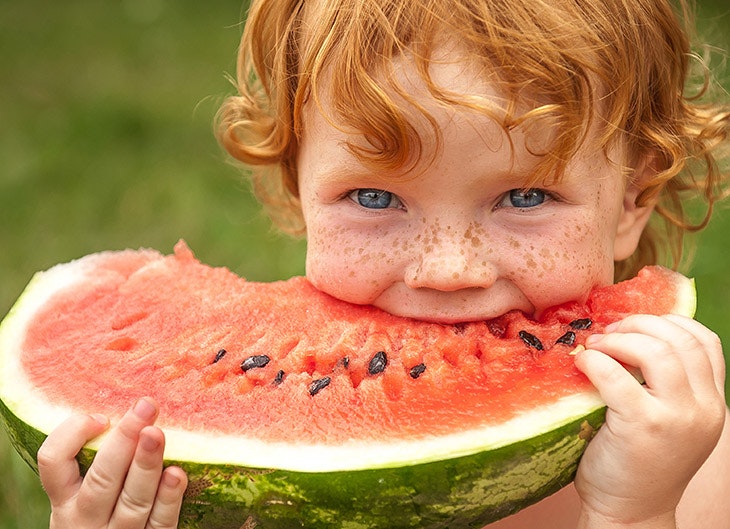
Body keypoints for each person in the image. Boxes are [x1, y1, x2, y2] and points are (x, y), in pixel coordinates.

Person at [36, 0, 730, 528]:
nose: (449, 268)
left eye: (525, 195)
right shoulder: (219, 459)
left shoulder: (686, 455)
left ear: (634, 197)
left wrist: (636, 513)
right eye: (374, 196)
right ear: (296, 188)